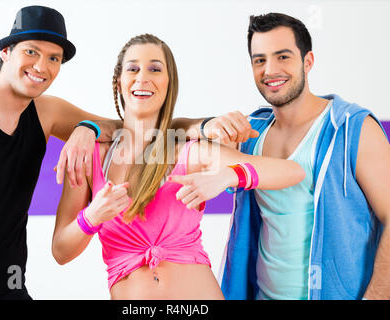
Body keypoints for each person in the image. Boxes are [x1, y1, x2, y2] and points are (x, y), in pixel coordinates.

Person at [51, 33, 305, 300]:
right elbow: (61, 251)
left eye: (155, 69)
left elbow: (292, 172)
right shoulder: (89, 157)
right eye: (133, 68)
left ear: (168, 83)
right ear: (119, 82)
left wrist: (230, 176)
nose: (142, 77)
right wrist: (91, 216)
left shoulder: (188, 151)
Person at [181, 13, 390, 300]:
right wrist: (207, 125)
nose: (270, 70)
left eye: (283, 57)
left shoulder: (353, 128)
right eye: (259, 60)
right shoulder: (250, 133)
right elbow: (162, 136)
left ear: (308, 62)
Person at [0, 6, 120, 300]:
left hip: (8, 288)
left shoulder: (47, 112)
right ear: (6, 52)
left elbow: (128, 130)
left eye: (54, 58)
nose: (42, 66)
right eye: (32, 52)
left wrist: (88, 127)